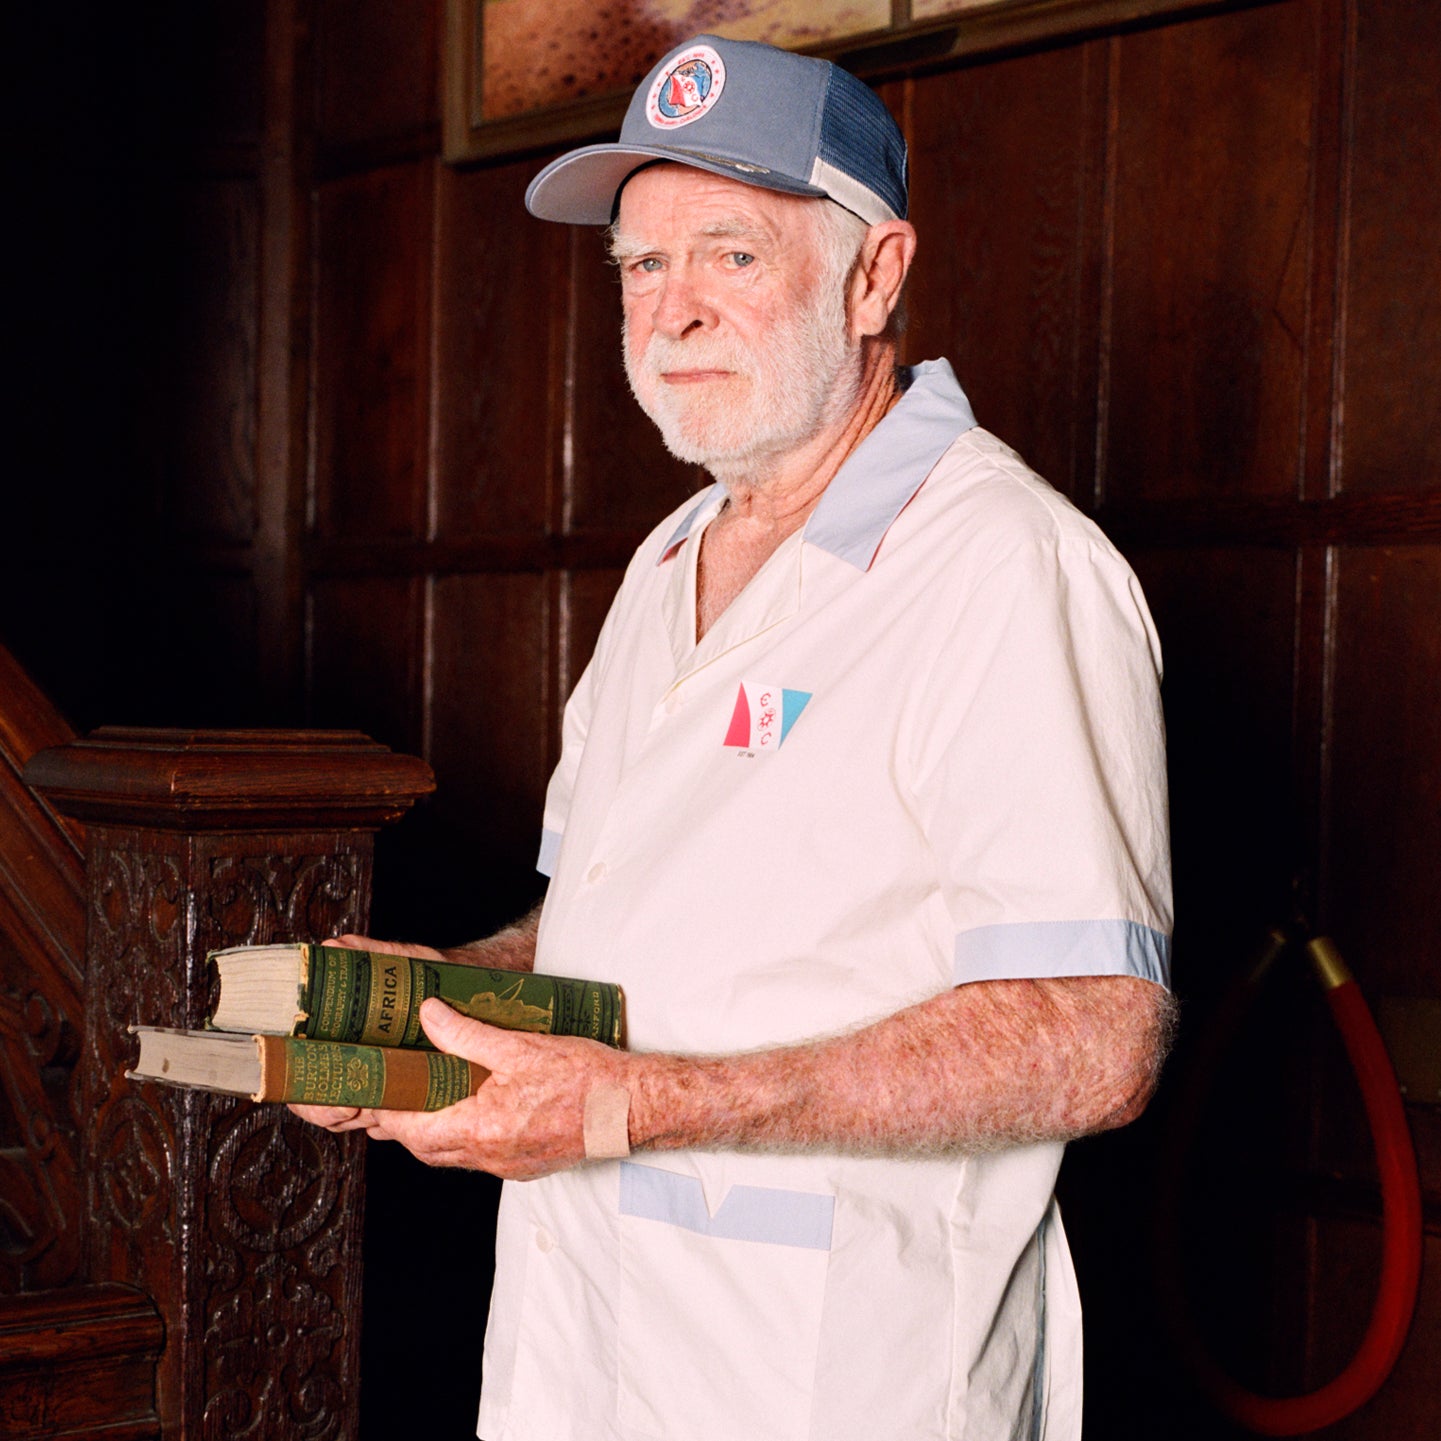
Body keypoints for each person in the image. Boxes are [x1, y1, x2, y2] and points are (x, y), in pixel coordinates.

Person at [295, 34, 1175, 1441]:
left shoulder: (1006, 566)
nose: (674, 312)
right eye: (642, 268)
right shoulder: (665, 566)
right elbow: (606, 922)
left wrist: (637, 1105)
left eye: (732, 255)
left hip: (834, 1373)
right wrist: (442, 1000)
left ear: (874, 275)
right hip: (575, 1346)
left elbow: (1093, 1032)